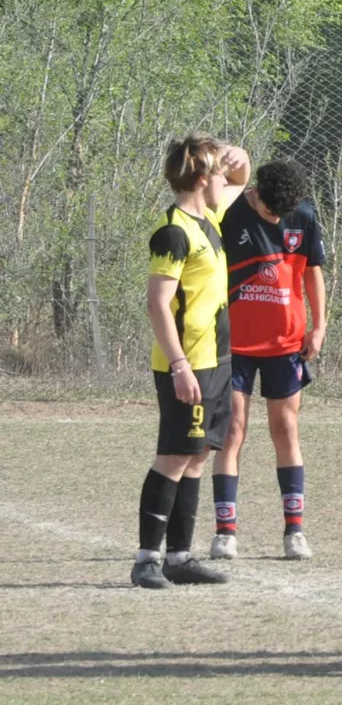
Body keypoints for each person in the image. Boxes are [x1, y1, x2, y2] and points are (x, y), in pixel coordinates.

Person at [132, 134, 249, 589]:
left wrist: (238, 157)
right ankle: (147, 560)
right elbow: (158, 304)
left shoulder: (209, 217)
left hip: (217, 359)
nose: (227, 181)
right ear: (202, 179)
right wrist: (179, 364)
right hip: (188, 363)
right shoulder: (173, 232)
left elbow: (241, 179)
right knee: (174, 456)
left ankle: (180, 558)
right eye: (218, 174)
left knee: (199, 455)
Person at [208, 159, 326, 561]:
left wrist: (319, 326)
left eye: (282, 214)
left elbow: (312, 273)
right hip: (235, 345)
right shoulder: (228, 209)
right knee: (233, 430)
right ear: (254, 193)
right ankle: (225, 533)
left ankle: (294, 532)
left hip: (286, 343)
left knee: (285, 429)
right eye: (268, 211)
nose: (275, 218)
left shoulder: (305, 215)